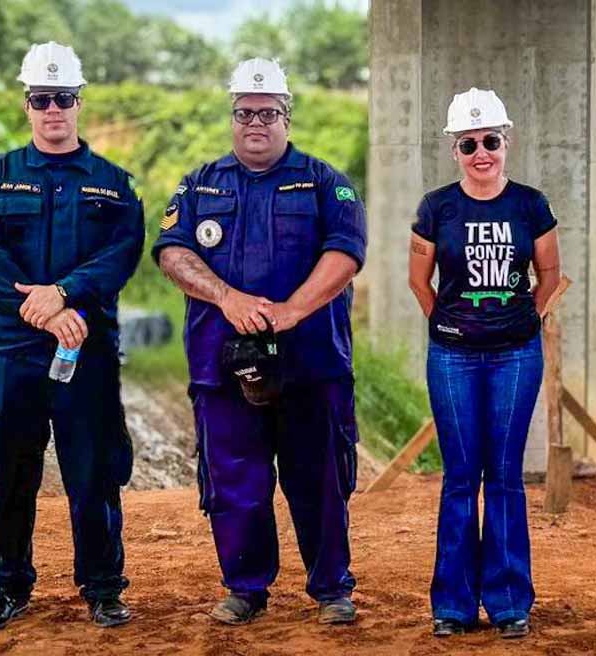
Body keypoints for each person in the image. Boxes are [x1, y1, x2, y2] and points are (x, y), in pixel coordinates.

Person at [152, 58, 366, 626]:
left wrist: (294, 310)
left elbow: (345, 253)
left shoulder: (325, 182)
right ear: (232, 117)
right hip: (224, 366)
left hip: (311, 362)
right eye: (245, 112)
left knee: (318, 478)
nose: (255, 122)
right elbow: (172, 252)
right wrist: (227, 298)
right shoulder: (199, 183)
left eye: (268, 112)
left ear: (287, 118)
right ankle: (246, 588)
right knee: (236, 483)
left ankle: (331, 590)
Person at [0, 41, 144, 629]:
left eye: (63, 97)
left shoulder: (115, 185)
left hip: (84, 348)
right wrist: (43, 308)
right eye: (42, 98)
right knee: (12, 470)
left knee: (92, 470)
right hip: (15, 351)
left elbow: (121, 255)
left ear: (79, 101)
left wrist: (63, 295)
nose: (53, 109)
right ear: (27, 104)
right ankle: (7, 586)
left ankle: (104, 587)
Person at [408, 87, 561, 640]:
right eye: (469, 143)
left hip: (515, 356)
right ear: (454, 148)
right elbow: (417, 280)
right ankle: (451, 604)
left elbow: (549, 274)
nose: (481, 152)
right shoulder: (436, 207)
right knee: (459, 477)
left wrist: (527, 320)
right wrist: (446, 322)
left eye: (490, 141)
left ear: (506, 142)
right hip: (452, 357)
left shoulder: (531, 205)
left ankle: (507, 601)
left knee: (503, 476)